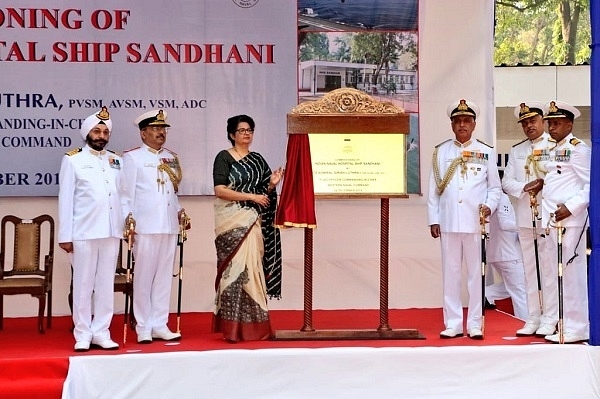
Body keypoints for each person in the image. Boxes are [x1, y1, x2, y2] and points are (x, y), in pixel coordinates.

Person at [428, 99, 502, 339]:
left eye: (466, 121)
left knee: (475, 275)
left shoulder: (486, 151)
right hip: (449, 221)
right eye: (457, 121)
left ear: (474, 124)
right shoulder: (441, 151)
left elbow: (495, 188)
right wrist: (434, 218)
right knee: (450, 274)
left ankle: (475, 323)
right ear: (451, 125)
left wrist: (489, 208)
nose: (462, 125)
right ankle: (453, 323)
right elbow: (433, 189)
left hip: (475, 222)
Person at [212, 114, 284, 342]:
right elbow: (220, 190)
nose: (246, 133)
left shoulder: (258, 160)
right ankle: (232, 329)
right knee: (233, 271)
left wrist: (271, 184)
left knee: (253, 269)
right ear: (232, 134)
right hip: (231, 221)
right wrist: (251, 197)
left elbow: (264, 196)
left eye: (250, 130)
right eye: (242, 130)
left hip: (253, 222)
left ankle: (256, 328)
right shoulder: (224, 158)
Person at [58, 107, 122, 352]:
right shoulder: (73, 159)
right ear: (87, 133)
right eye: (97, 130)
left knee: (106, 284)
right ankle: (83, 333)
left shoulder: (116, 160)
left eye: (105, 132)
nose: (101, 135)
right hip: (83, 232)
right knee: (84, 284)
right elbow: (66, 199)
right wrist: (66, 235)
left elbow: (123, 195)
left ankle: (102, 331)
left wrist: (127, 222)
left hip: (110, 231)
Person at [119, 109, 185, 343]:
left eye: (163, 129)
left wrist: (179, 212)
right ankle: (143, 325)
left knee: (164, 276)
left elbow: (172, 192)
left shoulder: (171, 157)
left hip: (167, 225)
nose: (161, 133)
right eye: (156, 129)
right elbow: (125, 194)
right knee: (144, 277)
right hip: (144, 225)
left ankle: (160, 323)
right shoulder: (133, 158)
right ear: (143, 133)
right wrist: (128, 220)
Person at [501, 102, 555, 337]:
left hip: (548, 216)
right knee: (530, 270)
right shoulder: (517, 150)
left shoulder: (554, 146)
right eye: (524, 123)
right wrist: (526, 187)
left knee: (549, 269)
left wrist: (543, 184)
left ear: (542, 121)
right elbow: (506, 182)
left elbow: (560, 176)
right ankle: (533, 316)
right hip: (525, 217)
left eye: (532, 121)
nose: (528, 126)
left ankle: (550, 317)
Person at [540, 101, 590, 343]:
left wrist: (570, 208)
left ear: (569, 124)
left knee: (572, 274)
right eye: (550, 122)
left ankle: (578, 326)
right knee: (557, 274)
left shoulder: (579, 149)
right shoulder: (553, 148)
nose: (552, 126)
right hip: (553, 221)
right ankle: (564, 323)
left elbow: (591, 184)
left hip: (570, 221)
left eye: (557, 122)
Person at [485, 189, 528, 321]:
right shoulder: (501, 197)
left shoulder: (488, 197)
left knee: (517, 285)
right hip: (508, 253)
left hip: (498, 252)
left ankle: (486, 293)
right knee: (520, 290)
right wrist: (527, 227)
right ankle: (525, 322)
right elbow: (505, 224)